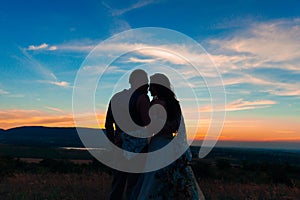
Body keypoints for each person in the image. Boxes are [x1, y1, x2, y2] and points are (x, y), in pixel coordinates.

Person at [137, 73, 201, 200]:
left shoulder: (156, 104)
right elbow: (176, 126)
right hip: (170, 145)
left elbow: (151, 127)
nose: (149, 88)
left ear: (157, 87)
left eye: (151, 85)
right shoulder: (174, 104)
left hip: (158, 144)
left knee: (153, 180)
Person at [105, 69, 151, 200]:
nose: (147, 85)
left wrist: (113, 143)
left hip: (119, 146)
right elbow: (149, 124)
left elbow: (108, 124)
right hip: (138, 148)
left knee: (117, 185)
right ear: (139, 82)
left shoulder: (116, 98)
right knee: (134, 185)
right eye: (146, 82)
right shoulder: (142, 98)